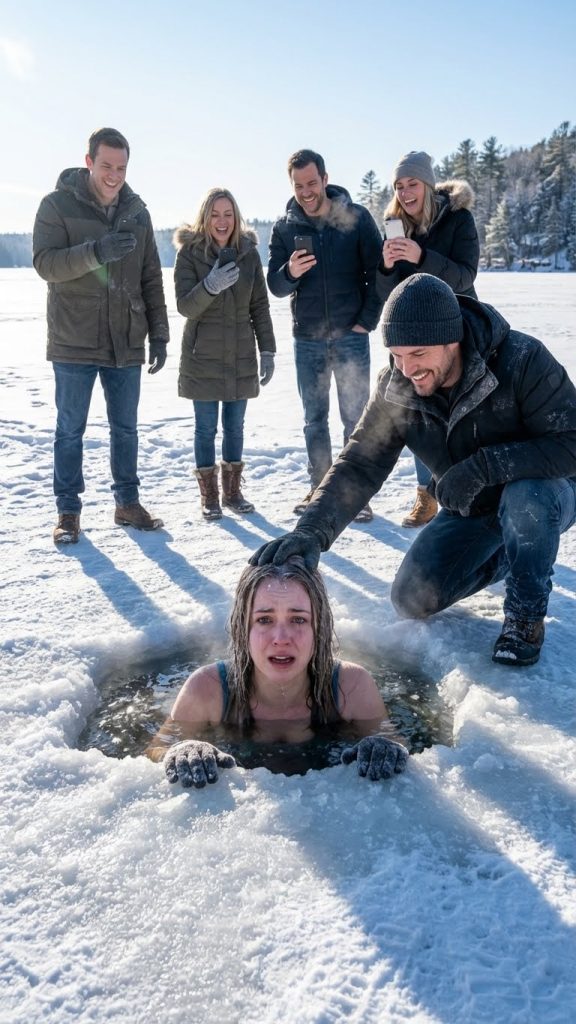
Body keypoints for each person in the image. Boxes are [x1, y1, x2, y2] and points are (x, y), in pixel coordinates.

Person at [250, 274, 576, 668]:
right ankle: (514, 553)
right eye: (397, 355)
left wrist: (483, 467)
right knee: (411, 599)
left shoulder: (521, 360)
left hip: (545, 495)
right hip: (471, 507)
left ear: (451, 339)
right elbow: (361, 463)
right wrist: (312, 532)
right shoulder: (396, 385)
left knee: (526, 500)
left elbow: (570, 442)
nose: (407, 368)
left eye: (418, 354)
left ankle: (524, 618)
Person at [147, 560, 409, 788]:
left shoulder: (351, 686)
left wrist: (383, 748)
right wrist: (182, 750)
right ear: (242, 628)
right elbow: (154, 755)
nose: (281, 638)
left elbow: (397, 745)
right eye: (264, 620)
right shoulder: (208, 688)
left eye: (298, 619)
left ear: (320, 627)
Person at [33, 127, 169, 544]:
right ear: (89, 161)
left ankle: (127, 503)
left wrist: (159, 334)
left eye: (122, 167)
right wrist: (96, 252)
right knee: (70, 429)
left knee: (125, 429)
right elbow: (45, 263)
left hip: (126, 338)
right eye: (107, 165)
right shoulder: (56, 205)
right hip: (74, 338)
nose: (114, 175)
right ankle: (68, 511)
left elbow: (150, 276)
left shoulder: (137, 212)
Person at [267, 149, 383, 523]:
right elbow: (276, 285)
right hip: (309, 339)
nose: (306, 192)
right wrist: (290, 271)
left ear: (325, 179)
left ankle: (354, 495)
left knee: (355, 419)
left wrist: (367, 320)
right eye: (299, 186)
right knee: (314, 419)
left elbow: (377, 270)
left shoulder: (356, 217)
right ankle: (320, 489)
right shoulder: (285, 227)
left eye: (312, 183)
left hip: (351, 335)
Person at [377, 151, 480, 528]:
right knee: (420, 416)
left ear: (428, 184)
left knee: (463, 416)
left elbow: (465, 276)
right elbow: (385, 295)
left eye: (412, 184)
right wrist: (387, 266)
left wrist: (422, 255)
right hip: (412, 339)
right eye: (399, 186)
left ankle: (470, 490)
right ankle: (428, 496)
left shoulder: (459, 220)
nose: (405, 193)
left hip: (457, 335)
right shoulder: (394, 225)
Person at [174, 189, 276, 519]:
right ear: (205, 217)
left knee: (235, 428)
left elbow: (259, 305)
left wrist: (269, 349)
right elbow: (185, 305)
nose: (222, 221)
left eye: (228, 214)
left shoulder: (247, 254)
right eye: (215, 214)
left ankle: (232, 493)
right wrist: (210, 284)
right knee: (205, 430)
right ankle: (209, 497)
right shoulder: (189, 254)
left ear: (236, 217)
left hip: (240, 356)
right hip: (202, 357)